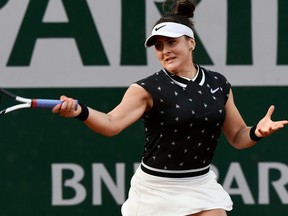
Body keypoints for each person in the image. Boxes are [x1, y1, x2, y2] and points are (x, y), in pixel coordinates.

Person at [52, 0, 288, 215]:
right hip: (156, 190)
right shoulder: (146, 89)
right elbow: (111, 124)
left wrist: (257, 131)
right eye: (158, 46)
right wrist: (80, 111)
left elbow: (237, 137)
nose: (165, 51)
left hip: (199, 184)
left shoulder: (219, 83)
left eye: (172, 42)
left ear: (191, 43)